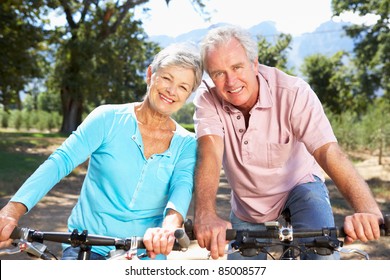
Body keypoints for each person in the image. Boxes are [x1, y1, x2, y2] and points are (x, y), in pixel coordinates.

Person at [192, 25, 384, 260]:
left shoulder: (293, 92)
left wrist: (367, 209)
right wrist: (205, 213)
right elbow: (209, 153)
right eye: (219, 73)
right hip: (248, 201)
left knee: (321, 256)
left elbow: (327, 151)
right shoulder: (207, 98)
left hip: (299, 186)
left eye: (237, 67)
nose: (231, 81)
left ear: (254, 63)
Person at [0, 43, 203, 260]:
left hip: (146, 254)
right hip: (86, 247)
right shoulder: (107, 118)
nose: (172, 91)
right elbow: (61, 161)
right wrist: (12, 211)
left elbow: (182, 187)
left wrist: (169, 227)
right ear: (150, 74)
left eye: (183, 87)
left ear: (189, 94)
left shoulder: (187, 143)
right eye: (167, 78)